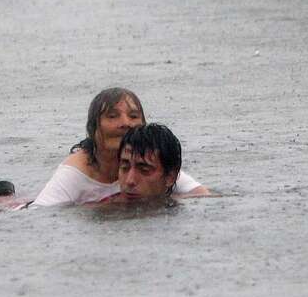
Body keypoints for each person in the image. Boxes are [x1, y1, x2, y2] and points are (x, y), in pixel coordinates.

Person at [29, 87, 209, 207]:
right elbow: (38, 214)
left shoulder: (148, 161)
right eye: (112, 116)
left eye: (133, 116)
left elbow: (203, 197)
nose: (125, 123)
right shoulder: (76, 172)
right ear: (93, 128)